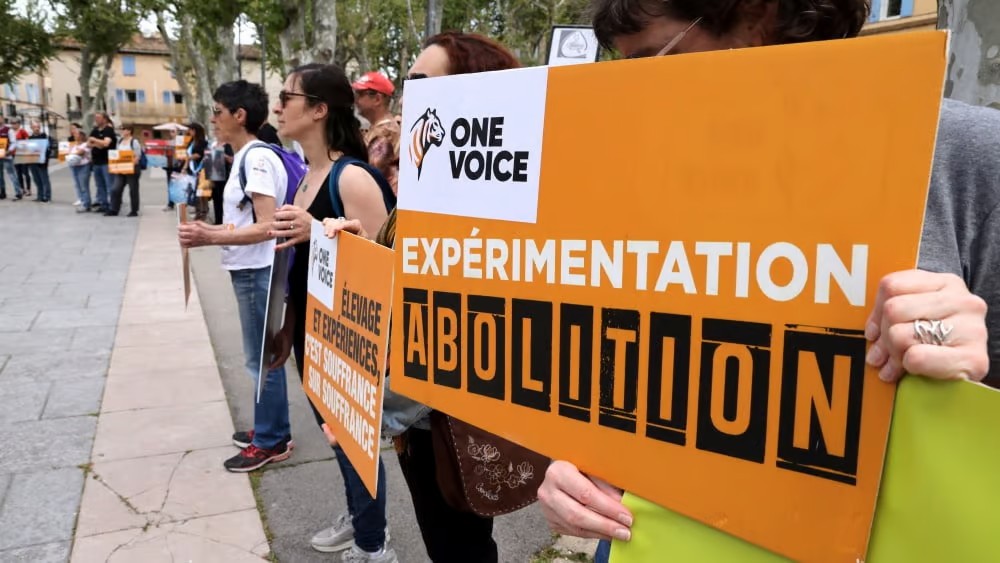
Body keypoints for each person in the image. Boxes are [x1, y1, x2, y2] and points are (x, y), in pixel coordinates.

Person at [535, 1, 1000, 561]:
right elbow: (618, 370)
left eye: (655, 60)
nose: (636, 93)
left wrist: (967, 373)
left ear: (761, 18)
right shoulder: (646, 170)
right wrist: (574, 469)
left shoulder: (968, 156)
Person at [290, 33, 523, 563]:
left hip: (448, 414)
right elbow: (407, 285)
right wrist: (361, 248)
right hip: (418, 415)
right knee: (447, 540)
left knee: (461, 544)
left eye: (421, 84)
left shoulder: (487, 199)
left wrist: (378, 411)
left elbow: (463, 320)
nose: (406, 97)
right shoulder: (429, 184)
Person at [265, 63, 394, 563]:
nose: (277, 106)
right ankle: (361, 519)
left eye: (286, 96)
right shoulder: (305, 179)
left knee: (353, 439)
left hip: (351, 338)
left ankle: (374, 543)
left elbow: (390, 266)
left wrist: (319, 229)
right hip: (312, 335)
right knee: (337, 439)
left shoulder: (353, 177)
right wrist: (286, 331)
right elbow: (304, 272)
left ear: (319, 109)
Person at [177, 80, 293, 473]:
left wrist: (210, 234)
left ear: (239, 115)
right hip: (254, 269)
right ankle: (272, 429)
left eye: (218, 111)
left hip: (258, 269)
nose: (212, 118)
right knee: (262, 356)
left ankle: (271, 440)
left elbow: (267, 226)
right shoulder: (250, 155)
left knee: (261, 359)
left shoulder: (255, 159)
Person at [352, 71, 400, 194]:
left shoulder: (386, 133)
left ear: (377, 99)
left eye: (360, 94)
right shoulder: (378, 129)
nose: (356, 100)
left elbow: (368, 177)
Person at [106, 123, 142, 217]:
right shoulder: (120, 141)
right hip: (120, 169)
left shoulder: (134, 142)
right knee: (115, 189)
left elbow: (137, 157)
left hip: (132, 169)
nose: (122, 131)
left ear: (129, 131)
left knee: (133, 190)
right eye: (121, 129)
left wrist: (129, 165)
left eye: (123, 129)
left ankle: (134, 210)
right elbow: (117, 154)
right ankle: (114, 209)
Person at [88, 112, 117, 213]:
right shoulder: (95, 130)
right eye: (95, 117)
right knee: (99, 185)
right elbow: (89, 144)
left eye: (98, 118)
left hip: (107, 161)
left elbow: (106, 143)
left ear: (104, 119)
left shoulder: (108, 130)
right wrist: (98, 143)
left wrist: (95, 141)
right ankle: (103, 204)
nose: (96, 119)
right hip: (96, 162)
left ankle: (112, 206)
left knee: (109, 185)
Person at [206, 130, 234, 225]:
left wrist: (224, 156)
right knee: (216, 199)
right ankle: (218, 220)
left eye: (218, 131)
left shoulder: (229, 145)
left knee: (223, 199)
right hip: (214, 176)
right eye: (216, 131)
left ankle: (223, 221)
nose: (216, 133)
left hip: (225, 177)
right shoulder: (213, 145)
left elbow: (233, 160)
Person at [67, 124, 93, 212]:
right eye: (74, 134)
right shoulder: (74, 145)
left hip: (83, 166)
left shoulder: (86, 144)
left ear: (81, 135)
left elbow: (80, 153)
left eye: (76, 134)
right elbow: (68, 153)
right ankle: (82, 201)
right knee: (78, 185)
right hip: (75, 167)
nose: (74, 135)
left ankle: (86, 204)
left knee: (83, 186)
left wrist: (72, 154)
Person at [27, 121, 53, 203]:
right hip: (33, 162)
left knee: (44, 180)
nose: (37, 128)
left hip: (42, 162)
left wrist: (45, 158)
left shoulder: (45, 137)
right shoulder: (29, 138)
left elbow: (49, 149)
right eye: (35, 127)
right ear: (31, 128)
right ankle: (40, 196)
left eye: (38, 127)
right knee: (37, 179)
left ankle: (47, 196)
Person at [0, 116, 23, 200]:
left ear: (2, 119)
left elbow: (14, 142)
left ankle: (18, 192)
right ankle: (2, 192)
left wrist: (9, 151)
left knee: (12, 174)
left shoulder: (9, 130)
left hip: (7, 156)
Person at [13, 119, 31, 198]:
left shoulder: (22, 131)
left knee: (25, 172)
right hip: (15, 154)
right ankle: (22, 188)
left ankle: (28, 189)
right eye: (12, 123)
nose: (13, 125)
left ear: (19, 124)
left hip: (23, 154)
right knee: (18, 173)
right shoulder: (11, 132)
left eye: (15, 123)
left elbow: (27, 141)